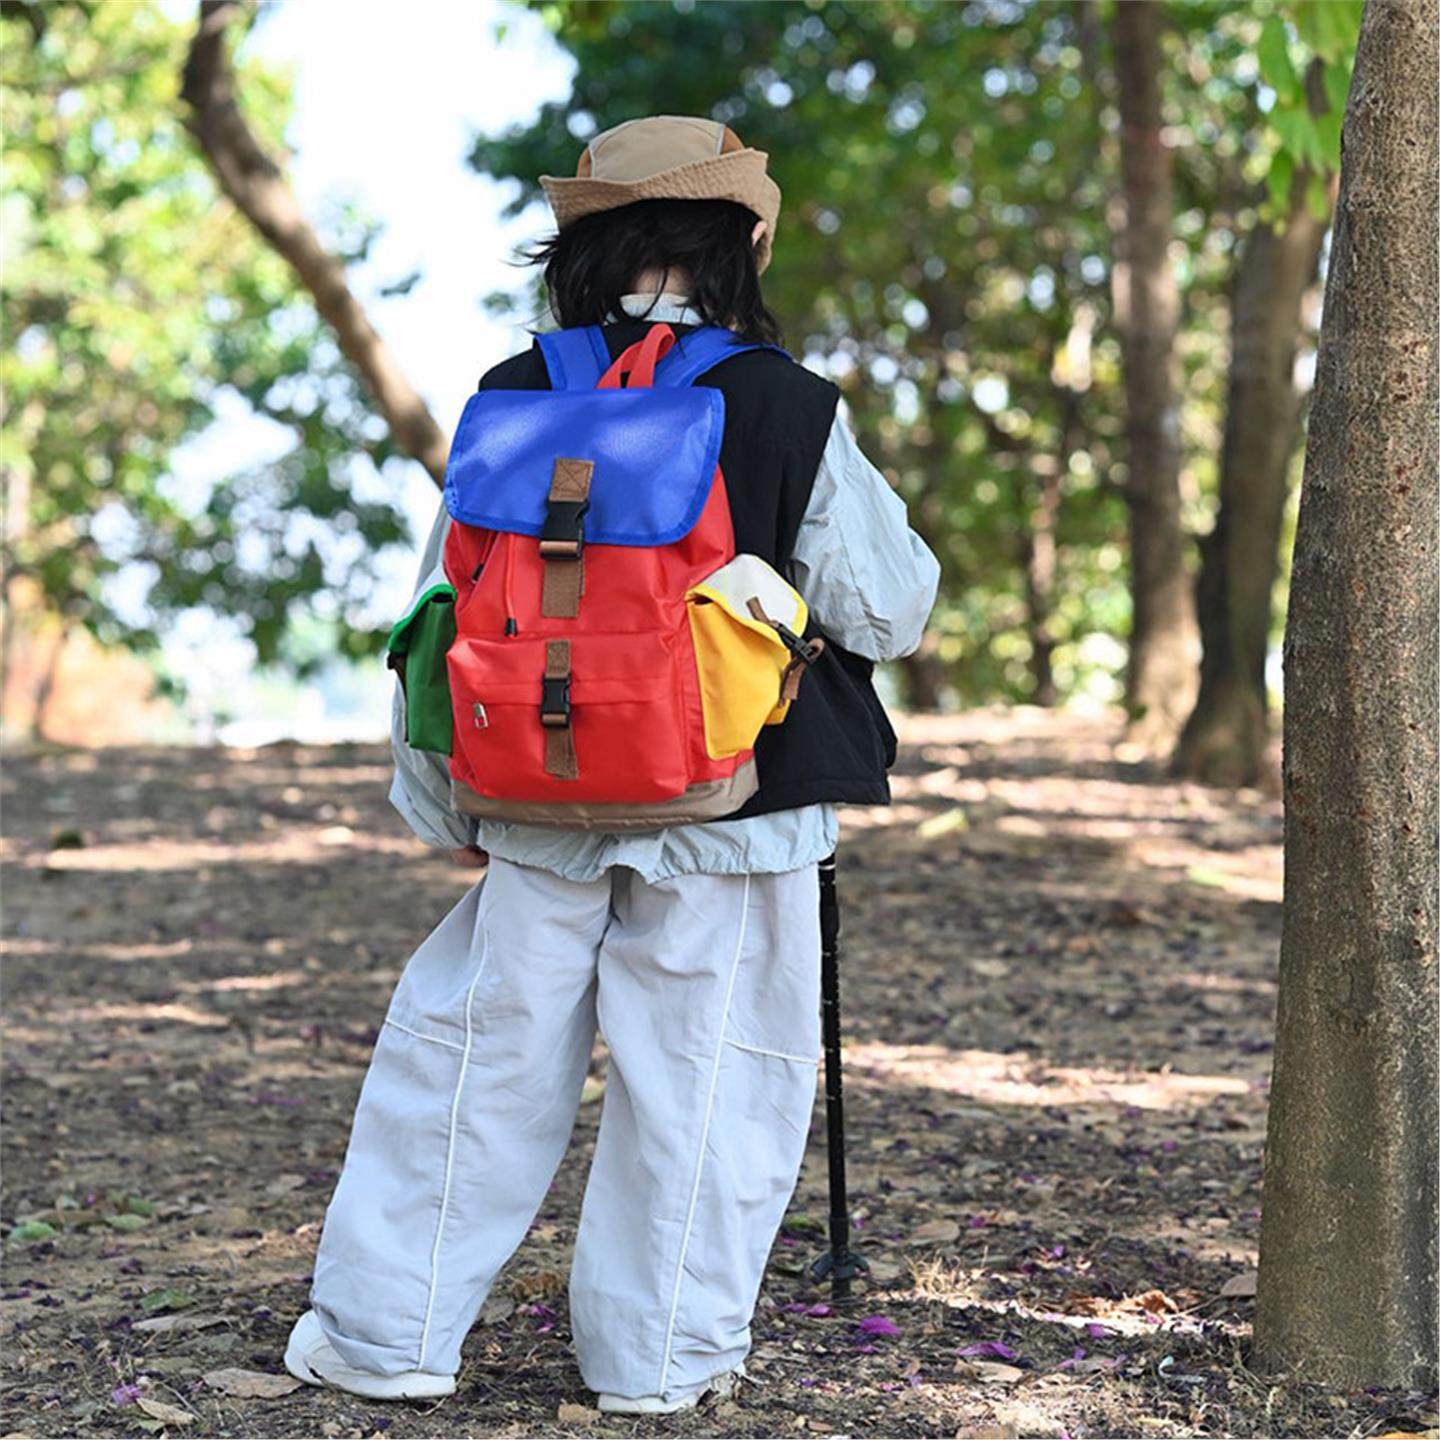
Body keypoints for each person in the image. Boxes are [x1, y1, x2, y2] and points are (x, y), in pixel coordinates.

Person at [285, 115, 940, 1414]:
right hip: (731, 806)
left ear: (579, 247)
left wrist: (444, 796)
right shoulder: (780, 401)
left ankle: (383, 1339)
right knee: (705, 1077)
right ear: (743, 240)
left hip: (534, 798)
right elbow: (887, 610)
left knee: (469, 1063)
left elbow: (444, 611)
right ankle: (658, 1362)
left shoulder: (512, 394)